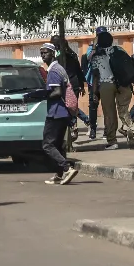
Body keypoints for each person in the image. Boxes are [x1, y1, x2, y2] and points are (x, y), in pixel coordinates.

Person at [39, 43, 79, 185]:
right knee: (57, 144)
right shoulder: (58, 68)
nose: (43, 55)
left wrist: (42, 96)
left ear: (53, 53)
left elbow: (57, 92)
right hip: (63, 113)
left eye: (46, 52)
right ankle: (59, 175)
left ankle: (67, 168)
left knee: (47, 145)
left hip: (56, 113)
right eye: (41, 53)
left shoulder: (54, 71)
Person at [89, 28, 134, 150]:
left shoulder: (96, 56)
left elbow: (95, 76)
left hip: (106, 85)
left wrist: (94, 93)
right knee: (124, 109)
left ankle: (112, 141)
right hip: (123, 83)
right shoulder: (119, 50)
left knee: (109, 114)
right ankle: (128, 128)